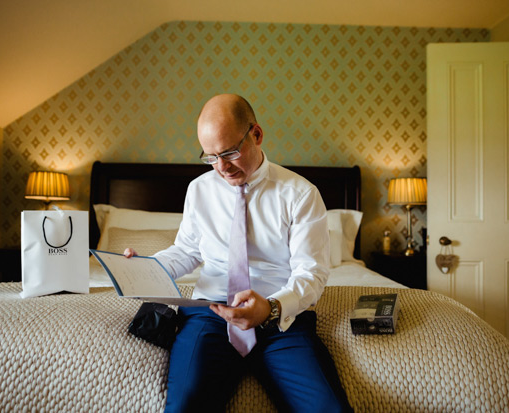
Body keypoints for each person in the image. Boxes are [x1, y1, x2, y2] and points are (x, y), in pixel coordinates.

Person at [124, 94, 352, 412]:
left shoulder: (300, 194)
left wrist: (271, 308)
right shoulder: (199, 190)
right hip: (210, 314)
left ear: (256, 134)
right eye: (211, 157)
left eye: (230, 152)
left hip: (280, 320)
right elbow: (187, 251)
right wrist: (146, 268)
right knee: (184, 406)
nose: (222, 167)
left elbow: (311, 273)